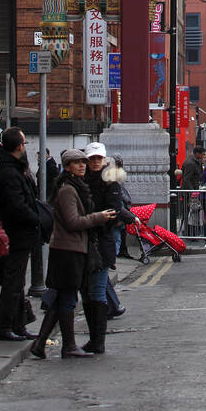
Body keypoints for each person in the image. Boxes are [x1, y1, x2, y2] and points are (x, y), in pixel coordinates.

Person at [30, 151, 117, 360]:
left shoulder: (77, 186)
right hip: (68, 250)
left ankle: (41, 343)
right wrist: (99, 217)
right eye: (76, 163)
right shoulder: (68, 190)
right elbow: (73, 222)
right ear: (66, 167)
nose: (82, 166)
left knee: (60, 296)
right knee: (67, 297)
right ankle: (68, 346)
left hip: (73, 249)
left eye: (82, 162)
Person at [80, 143, 131, 353]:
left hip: (101, 242)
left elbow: (113, 213)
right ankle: (94, 338)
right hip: (82, 242)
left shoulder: (111, 181)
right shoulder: (79, 180)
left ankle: (98, 340)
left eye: (98, 158)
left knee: (97, 291)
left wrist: (90, 219)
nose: (95, 162)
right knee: (85, 293)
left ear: (104, 159)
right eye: (92, 158)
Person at [0, 128, 41, 341]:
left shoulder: (10, 168)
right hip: (16, 234)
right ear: (19, 146)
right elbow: (17, 206)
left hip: (18, 233)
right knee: (12, 282)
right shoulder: (10, 172)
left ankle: (18, 324)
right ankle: (3, 327)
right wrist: (36, 218)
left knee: (16, 282)